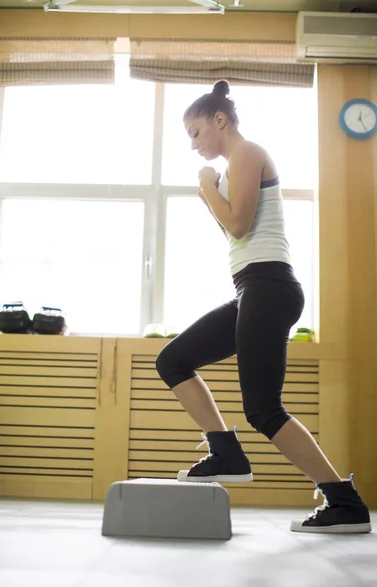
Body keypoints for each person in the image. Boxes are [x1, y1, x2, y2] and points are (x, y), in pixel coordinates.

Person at [156, 79, 372, 534]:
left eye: (195, 133)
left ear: (220, 120)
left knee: (263, 409)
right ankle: (225, 452)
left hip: (269, 286)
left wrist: (206, 187)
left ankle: (344, 503)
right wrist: (209, 192)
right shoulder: (234, 166)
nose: (193, 146)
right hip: (252, 287)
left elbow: (237, 225)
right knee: (173, 359)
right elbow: (237, 230)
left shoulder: (247, 152)